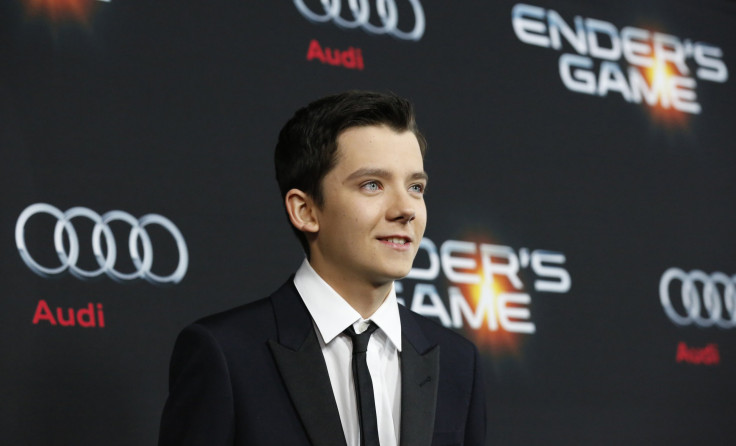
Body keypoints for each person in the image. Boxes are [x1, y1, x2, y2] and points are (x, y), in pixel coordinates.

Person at [158, 91, 486, 446]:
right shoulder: (225, 353)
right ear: (305, 211)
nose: (406, 209)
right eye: (372, 185)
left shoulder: (456, 360)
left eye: (415, 187)